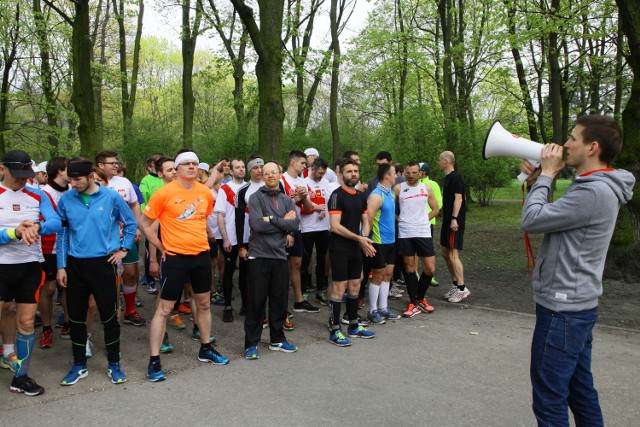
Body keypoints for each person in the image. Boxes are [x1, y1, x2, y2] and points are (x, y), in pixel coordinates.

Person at [520, 115, 634, 427]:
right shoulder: (593, 187)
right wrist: (537, 181)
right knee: (579, 389)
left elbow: (532, 221)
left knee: (549, 397)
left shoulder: (592, 192)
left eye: (572, 138)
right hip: (576, 306)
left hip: (562, 310)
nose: (565, 144)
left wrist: (545, 175)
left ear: (592, 147)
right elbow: (550, 216)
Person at [140, 151, 229, 382]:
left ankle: (206, 348)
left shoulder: (204, 192)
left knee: (204, 304)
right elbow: (144, 223)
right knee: (165, 309)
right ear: (177, 169)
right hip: (175, 258)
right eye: (186, 164)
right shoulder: (163, 193)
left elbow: (200, 219)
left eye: (194, 164)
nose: (191, 167)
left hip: (200, 256)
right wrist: (160, 247)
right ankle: (154, 360)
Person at [56, 158, 133, 386]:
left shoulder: (111, 197)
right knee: (77, 320)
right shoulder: (66, 199)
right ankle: (79, 365)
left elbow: (129, 223)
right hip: (75, 265)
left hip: (103, 263)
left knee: (109, 317)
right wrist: (61, 265)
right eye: (70, 179)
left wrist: (124, 249)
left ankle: (114, 364)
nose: (72, 184)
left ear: (91, 177)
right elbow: (62, 234)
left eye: (77, 179)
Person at [0, 150, 61, 396]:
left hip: (29, 265)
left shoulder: (37, 194)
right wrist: (14, 233)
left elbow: (56, 222)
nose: (22, 180)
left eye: (26, 175)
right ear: (2, 169)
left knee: (26, 322)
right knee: (4, 310)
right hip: (1, 265)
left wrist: (37, 226)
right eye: (17, 175)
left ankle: (21, 376)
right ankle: (6, 351)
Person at [244, 162, 300, 359]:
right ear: (262, 176)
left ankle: (277, 340)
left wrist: (272, 219)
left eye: (273, 172)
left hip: (279, 256)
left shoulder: (286, 199)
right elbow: (257, 225)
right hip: (259, 256)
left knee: (279, 301)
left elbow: (295, 223)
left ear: (279, 174)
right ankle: (251, 343)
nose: (269, 176)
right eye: (266, 173)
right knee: (256, 302)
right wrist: (282, 222)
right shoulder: (255, 197)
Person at [327, 158, 376, 346]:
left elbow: (366, 219)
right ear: (341, 174)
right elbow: (335, 226)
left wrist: (363, 238)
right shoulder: (336, 196)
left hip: (356, 247)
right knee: (339, 288)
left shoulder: (360, 195)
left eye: (355, 171)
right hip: (339, 247)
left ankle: (354, 325)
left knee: (356, 284)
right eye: (349, 171)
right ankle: (334, 330)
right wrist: (360, 239)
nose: (353, 174)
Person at [95, 150, 146, 326]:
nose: (116, 165)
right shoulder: (93, 181)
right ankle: (111, 311)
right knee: (107, 276)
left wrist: (137, 226)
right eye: (112, 163)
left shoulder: (124, 182)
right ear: (101, 165)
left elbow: (134, 204)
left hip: (126, 236)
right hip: (103, 239)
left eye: (117, 163)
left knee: (130, 273)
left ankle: (130, 310)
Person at [394, 161, 440, 317]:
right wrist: (398, 218)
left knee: (430, 269)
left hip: (423, 232)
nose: (411, 175)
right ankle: (413, 302)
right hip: (405, 232)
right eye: (408, 172)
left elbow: (436, 209)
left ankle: (420, 298)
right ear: (404, 173)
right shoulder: (398, 188)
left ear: (420, 173)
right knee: (409, 268)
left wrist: (423, 219)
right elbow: (388, 207)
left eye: (414, 172)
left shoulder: (426, 188)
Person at [281, 150, 320, 315]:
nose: (306, 166)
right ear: (293, 162)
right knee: (282, 267)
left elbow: (310, 208)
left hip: (297, 228)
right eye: (303, 163)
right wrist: (297, 198)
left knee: (297, 263)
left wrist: (304, 198)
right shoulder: (281, 180)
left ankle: (299, 300)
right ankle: (281, 304)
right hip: (282, 229)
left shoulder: (302, 182)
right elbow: (277, 207)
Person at [38, 157, 70, 349]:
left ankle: (67, 323)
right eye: (69, 169)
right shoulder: (44, 193)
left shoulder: (74, 191)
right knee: (49, 289)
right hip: (49, 247)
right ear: (59, 171)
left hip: (70, 246)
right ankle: (46, 328)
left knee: (69, 286)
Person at [366, 163, 401, 324]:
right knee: (378, 275)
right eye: (394, 174)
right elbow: (368, 219)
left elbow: (390, 216)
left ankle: (383, 308)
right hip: (378, 241)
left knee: (388, 274)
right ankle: (372, 310)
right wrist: (365, 239)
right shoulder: (376, 195)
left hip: (391, 241)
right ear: (387, 176)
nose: (396, 176)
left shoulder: (391, 194)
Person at [215, 158, 246, 322]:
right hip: (231, 238)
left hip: (248, 238)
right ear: (231, 171)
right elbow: (220, 214)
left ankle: (246, 305)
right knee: (228, 273)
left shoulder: (251, 188)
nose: (241, 170)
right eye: (237, 167)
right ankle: (227, 306)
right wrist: (225, 238)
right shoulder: (225, 189)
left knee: (246, 273)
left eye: (242, 167)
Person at [235, 155, 265, 316]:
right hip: (248, 239)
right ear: (249, 170)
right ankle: (246, 304)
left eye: (261, 167)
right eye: (255, 167)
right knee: (246, 273)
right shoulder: (243, 190)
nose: (259, 170)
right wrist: (240, 245)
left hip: (269, 239)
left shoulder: (274, 185)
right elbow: (238, 220)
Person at [439, 151, 470, 303]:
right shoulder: (447, 178)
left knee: (453, 254)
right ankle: (455, 284)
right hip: (447, 220)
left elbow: (459, 198)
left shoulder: (455, 177)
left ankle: (462, 289)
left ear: (446, 161)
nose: (439, 162)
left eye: (440, 159)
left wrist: (454, 219)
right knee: (445, 253)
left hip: (454, 221)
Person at [301, 157, 331, 305]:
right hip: (307, 227)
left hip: (323, 227)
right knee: (305, 259)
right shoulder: (303, 183)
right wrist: (315, 207)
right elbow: (299, 205)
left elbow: (330, 202)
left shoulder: (326, 183)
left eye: (324, 173)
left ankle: (320, 290)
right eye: (320, 173)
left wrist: (324, 210)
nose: (322, 176)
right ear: (313, 169)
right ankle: (303, 290)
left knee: (321, 258)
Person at [139, 152, 165, 291]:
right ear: (151, 165)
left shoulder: (166, 179)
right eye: (156, 162)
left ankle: (161, 277)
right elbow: (143, 201)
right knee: (151, 250)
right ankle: (150, 281)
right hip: (152, 220)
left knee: (163, 250)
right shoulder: (146, 180)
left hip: (166, 222)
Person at [419, 162, 443, 287]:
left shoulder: (432, 184)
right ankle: (415, 274)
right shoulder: (412, 184)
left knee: (427, 250)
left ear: (423, 172)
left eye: (418, 170)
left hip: (428, 222)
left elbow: (439, 203)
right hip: (413, 223)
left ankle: (428, 274)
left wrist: (427, 215)